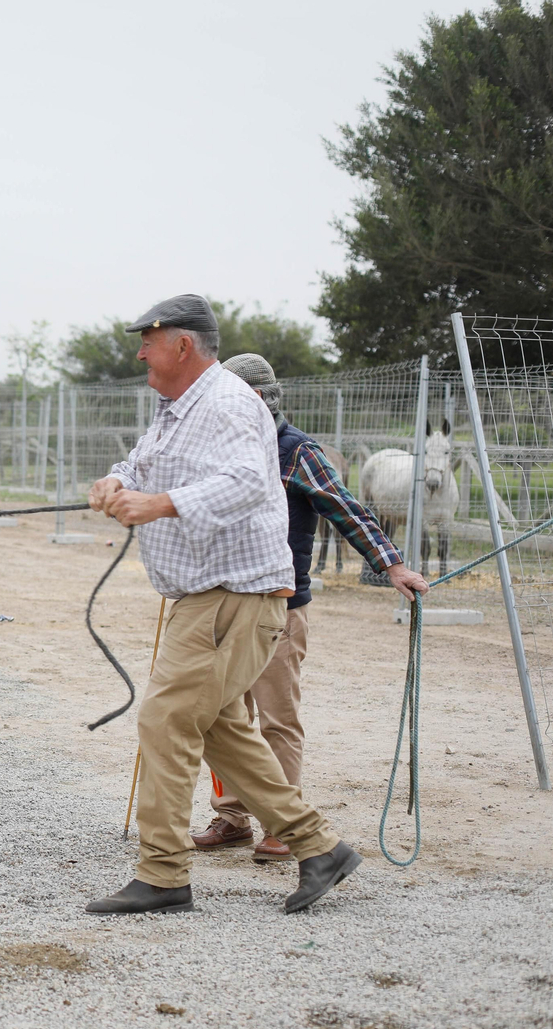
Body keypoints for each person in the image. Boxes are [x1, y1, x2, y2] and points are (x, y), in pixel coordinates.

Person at [83, 294, 360, 916]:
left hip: (234, 597)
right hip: (205, 598)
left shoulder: (231, 402)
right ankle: (319, 847)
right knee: (222, 730)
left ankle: (163, 874)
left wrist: (160, 504)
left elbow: (248, 482)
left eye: (148, 340)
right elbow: (141, 462)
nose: (139, 351)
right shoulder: (177, 409)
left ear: (183, 345)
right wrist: (119, 482)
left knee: (166, 720)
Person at [190, 355, 428, 860]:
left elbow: (345, 508)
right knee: (223, 716)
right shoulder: (220, 451)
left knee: (277, 718)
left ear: (257, 399)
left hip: (280, 606)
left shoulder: (295, 451)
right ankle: (231, 816)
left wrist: (392, 565)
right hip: (221, 604)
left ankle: (283, 826)